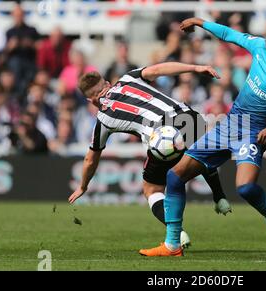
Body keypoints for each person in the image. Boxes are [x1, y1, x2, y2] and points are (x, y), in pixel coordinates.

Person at [140, 13, 266, 257]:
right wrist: (200, 22)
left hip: (253, 133)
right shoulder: (259, 47)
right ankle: (172, 245)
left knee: (244, 188)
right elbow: (229, 34)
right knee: (174, 176)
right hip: (231, 124)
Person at [67, 62, 232, 248]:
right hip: (189, 117)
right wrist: (194, 68)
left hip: (164, 136)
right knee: (200, 154)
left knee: (151, 190)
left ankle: (177, 233)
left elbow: (91, 158)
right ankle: (219, 196)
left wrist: (83, 185)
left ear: (91, 100)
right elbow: (157, 69)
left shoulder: (103, 119)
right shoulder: (128, 78)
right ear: (106, 83)